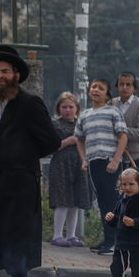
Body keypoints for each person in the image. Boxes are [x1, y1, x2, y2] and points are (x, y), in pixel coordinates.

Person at [0, 44, 61, 277]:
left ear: (16, 75)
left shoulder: (29, 103)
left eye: (5, 71)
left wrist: (22, 155)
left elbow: (52, 141)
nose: (0, 76)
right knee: (3, 238)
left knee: (17, 238)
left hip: (21, 183)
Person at [76, 77, 128, 254]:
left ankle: (116, 241)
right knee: (102, 202)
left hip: (109, 162)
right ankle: (107, 239)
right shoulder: (84, 115)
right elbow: (79, 139)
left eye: (100, 88)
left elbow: (123, 137)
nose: (96, 90)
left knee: (112, 201)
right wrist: (84, 159)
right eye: (93, 87)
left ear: (107, 94)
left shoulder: (113, 111)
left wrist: (115, 160)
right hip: (94, 162)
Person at [48, 91, 91, 247]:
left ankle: (71, 235)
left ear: (76, 108)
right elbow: (50, 147)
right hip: (61, 165)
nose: (67, 110)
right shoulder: (54, 124)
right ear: (59, 108)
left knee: (75, 200)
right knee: (62, 199)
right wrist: (68, 141)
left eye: (71, 107)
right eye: (64, 107)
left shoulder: (81, 124)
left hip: (78, 164)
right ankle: (57, 235)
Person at [112, 71, 139, 175]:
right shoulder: (112, 104)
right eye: (121, 84)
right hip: (115, 158)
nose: (124, 87)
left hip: (135, 158)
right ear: (117, 86)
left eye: (128, 85)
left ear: (134, 88)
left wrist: (121, 131)